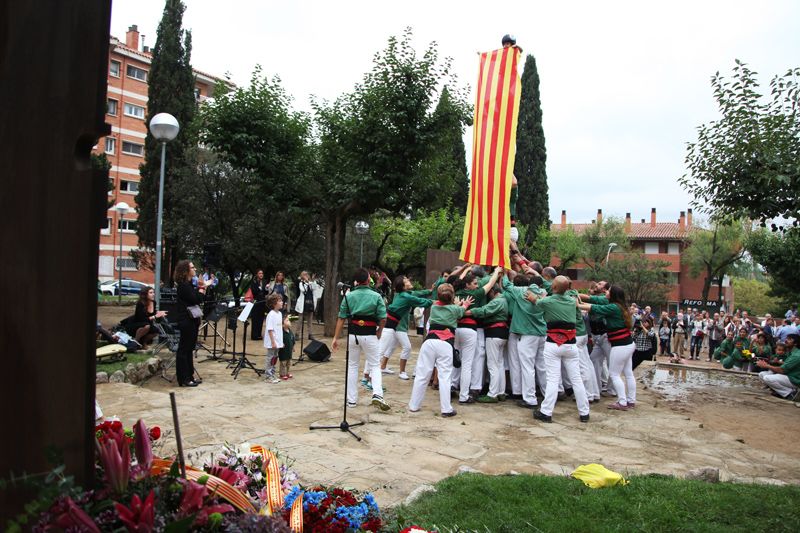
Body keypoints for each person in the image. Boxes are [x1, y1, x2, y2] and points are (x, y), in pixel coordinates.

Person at [526, 276, 591, 423]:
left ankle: (546, 412)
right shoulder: (572, 301)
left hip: (553, 344)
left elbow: (536, 301)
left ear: (553, 288)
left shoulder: (547, 301)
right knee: (576, 379)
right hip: (571, 344)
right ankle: (584, 413)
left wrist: (533, 297)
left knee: (552, 380)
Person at [408, 283, 473, 417]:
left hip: (429, 342)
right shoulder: (455, 309)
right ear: (452, 297)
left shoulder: (434, 307)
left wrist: (455, 302)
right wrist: (464, 304)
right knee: (445, 377)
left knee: (422, 375)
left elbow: (446, 304)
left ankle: (414, 405)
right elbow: (461, 311)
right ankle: (446, 409)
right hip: (445, 344)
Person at [331, 268, 389, 411]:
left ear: (356, 281)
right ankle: (377, 394)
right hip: (370, 334)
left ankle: (351, 401)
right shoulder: (376, 296)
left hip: (353, 335)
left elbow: (341, 318)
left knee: (352, 366)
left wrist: (335, 337)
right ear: (368, 280)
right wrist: (379, 332)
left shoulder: (349, 296)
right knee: (375, 365)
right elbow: (383, 318)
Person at [578, 285, 635, 411]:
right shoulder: (619, 305)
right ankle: (631, 400)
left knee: (614, 374)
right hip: (628, 343)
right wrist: (580, 300)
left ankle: (622, 402)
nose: (606, 291)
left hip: (620, 345)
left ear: (613, 294)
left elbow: (594, 308)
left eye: (608, 291)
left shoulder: (613, 307)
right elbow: (594, 302)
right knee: (628, 374)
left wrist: (576, 304)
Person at [452, 267, 502, 404]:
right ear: (468, 285)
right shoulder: (476, 294)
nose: (477, 285)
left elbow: (458, 280)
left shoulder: (456, 292)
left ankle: (452, 385)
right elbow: (491, 283)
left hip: (456, 329)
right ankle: (467, 393)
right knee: (468, 363)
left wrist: (466, 268)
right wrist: (497, 271)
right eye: (474, 283)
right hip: (470, 329)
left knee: (456, 358)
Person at [378, 275, 433, 380]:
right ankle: (402, 372)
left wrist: (429, 291)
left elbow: (417, 293)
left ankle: (382, 367)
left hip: (395, 325)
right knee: (406, 347)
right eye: (406, 280)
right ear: (402, 286)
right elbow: (421, 301)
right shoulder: (406, 297)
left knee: (390, 347)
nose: (409, 280)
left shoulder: (402, 294)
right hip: (398, 326)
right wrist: (434, 301)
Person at [465, 284, 508, 403]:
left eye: (489, 292)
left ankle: (492, 394)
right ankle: (501, 392)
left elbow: (484, 311)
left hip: (494, 333)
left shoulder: (497, 301)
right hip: (502, 333)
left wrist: (468, 311)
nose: (488, 295)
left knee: (493, 365)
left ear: (494, 291)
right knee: (499, 364)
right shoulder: (504, 300)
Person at [174, 260, 204, 387]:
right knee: (184, 349)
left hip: (191, 320)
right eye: (192, 267)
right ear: (186, 270)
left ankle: (189, 375)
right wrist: (202, 288)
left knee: (189, 349)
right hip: (186, 320)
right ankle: (184, 378)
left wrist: (200, 288)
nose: (195, 269)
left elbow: (197, 298)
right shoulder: (183, 286)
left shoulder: (188, 284)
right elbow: (196, 299)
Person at [756, 334, 799, 399]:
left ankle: (790, 393)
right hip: (788, 376)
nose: (786, 340)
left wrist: (766, 365)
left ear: (795, 344)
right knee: (762, 374)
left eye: (789, 339)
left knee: (767, 378)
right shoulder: (791, 353)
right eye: (787, 338)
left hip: (795, 380)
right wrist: (768, 365)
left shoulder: (796, 355)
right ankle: (778, 392)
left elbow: (782, 370)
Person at [263, 293, 284, 383]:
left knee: (275, 358)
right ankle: (268, 376)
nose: (282, 302)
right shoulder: (271, 315)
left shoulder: (279, 314)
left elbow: (279, 329)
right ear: (274, 303)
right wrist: (273, 342)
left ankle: (272, 373)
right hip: (272, 341)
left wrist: (280, 342)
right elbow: (270, 329)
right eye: (280, 301)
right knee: (270, 357)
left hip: (278, 341)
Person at [295, 271, 319, 339]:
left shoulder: (311, 283)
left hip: (310, 303)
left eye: (307, 274)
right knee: (300, 320)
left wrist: (312, 280)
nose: (306, 276)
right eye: (304, 275)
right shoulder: (301, 283)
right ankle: (297, 334)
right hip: (303, 304)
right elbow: (303, 290)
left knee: (310, 320)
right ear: (302, 276)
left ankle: (310, 334)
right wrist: (305, 282)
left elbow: (314, 288)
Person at [250, 270, 268, 340]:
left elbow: (265, 292)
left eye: (262, 273)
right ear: (257, 274)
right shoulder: (254, 282)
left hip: (263, 302)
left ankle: (259, 334)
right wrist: (259, 288)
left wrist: (266, 289)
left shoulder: (264, 282)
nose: (261, 274)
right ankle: (254, 335)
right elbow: (254, 291)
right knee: (255, 319)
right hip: (256, 302)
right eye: (259, 273)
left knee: (261, 319)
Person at [277, 315, 295, 381]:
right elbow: (278, 339)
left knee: (289, 362)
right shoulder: (281, 332)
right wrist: (280, 343)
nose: (289, 322)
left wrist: (293, 347)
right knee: (283, 363)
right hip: (283, 351)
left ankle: (287, 372)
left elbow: (293, 339)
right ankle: (282, 374)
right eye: (287, 321)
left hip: (289, 350)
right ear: (282, 324)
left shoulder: (290, 331)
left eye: (289, 320)